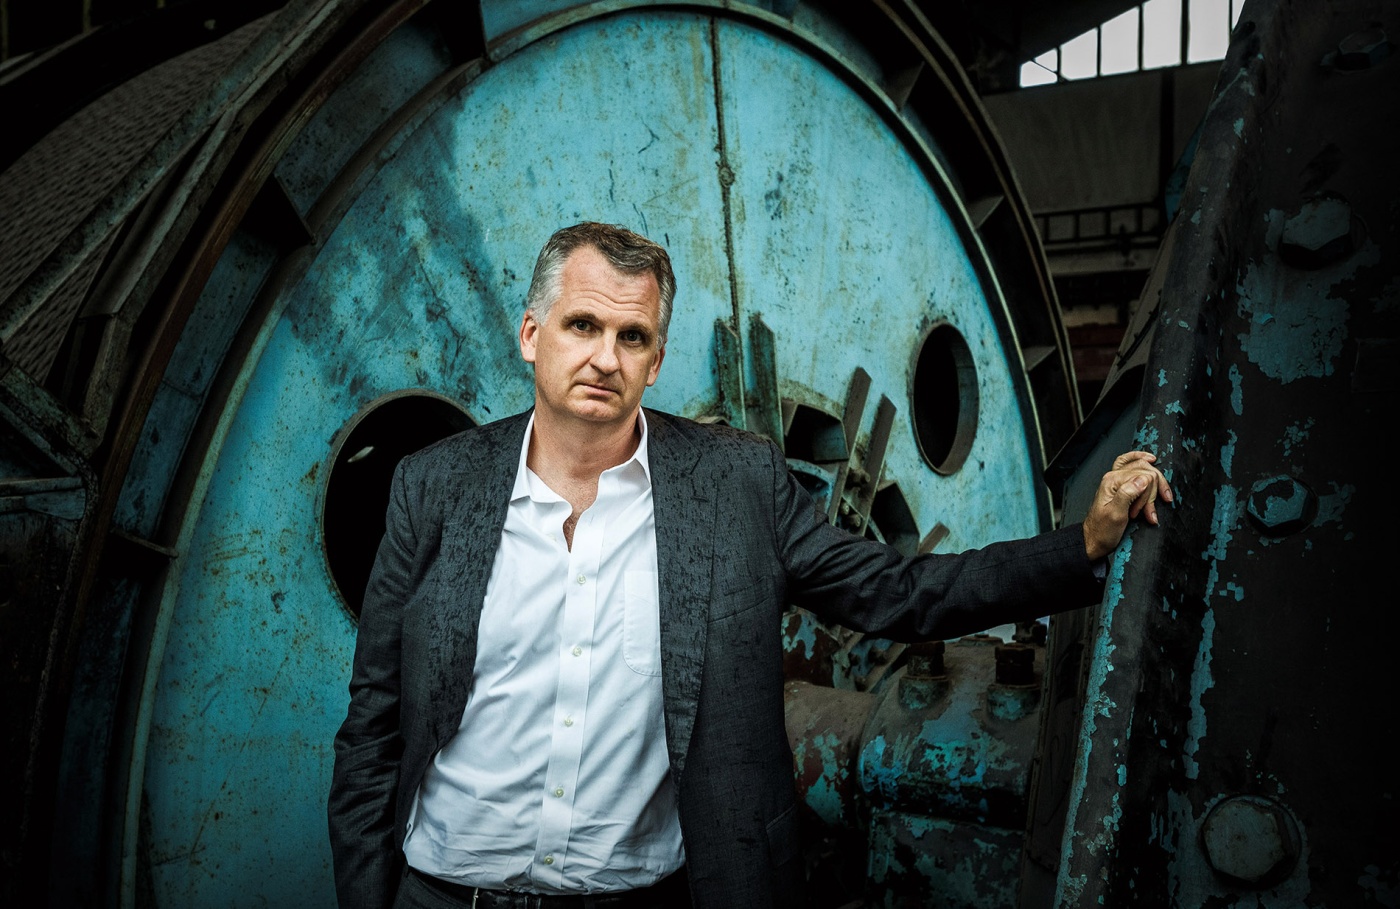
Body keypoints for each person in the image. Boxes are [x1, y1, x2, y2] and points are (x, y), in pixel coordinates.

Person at [328, 222, 1171, 909]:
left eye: (633, 336)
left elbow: (901, 592)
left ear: (656, 362)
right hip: (443, 893)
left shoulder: (735, 485)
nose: (604, 357)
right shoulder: (434, 487)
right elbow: (375, 723)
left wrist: (1084, 544)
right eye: (583, 325)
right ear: (531, 334)